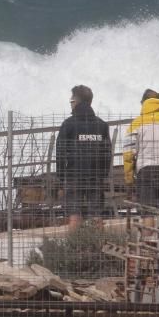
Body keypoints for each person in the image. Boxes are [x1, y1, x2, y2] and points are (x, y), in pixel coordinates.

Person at [56, 85, 112, 229]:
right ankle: (99, 247)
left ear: (76, 101)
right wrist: (103, 174)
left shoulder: (68, 124)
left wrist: (61, 177)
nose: (71, 103)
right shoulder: (102, 125)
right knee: (96, 216)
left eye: (71, 100)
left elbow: (60, 153)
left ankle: (73, 249)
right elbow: (107, 153)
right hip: (95, 176)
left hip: (74, 176)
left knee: (74, 216)